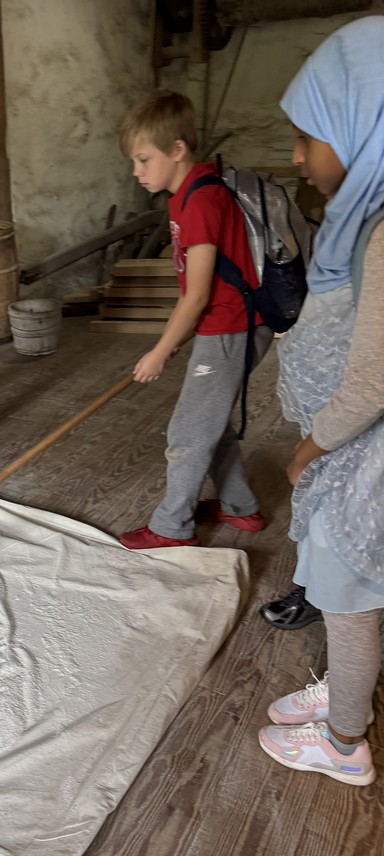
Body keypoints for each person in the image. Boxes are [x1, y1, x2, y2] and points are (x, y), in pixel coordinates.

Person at [258, 16, 384, 786]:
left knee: (348, 590)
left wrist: (312, 445)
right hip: (354, 446)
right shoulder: (361, 221)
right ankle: (343, 695)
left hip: (362, 453)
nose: (299, 157)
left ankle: (343, 743)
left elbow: (373, 377)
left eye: (311, 137)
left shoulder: (383, 234)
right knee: (345, 583)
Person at [116, 90, 272, 550]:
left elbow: (199, 292)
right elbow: (196, 290)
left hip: (232, 329)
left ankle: (172, 526)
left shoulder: (202, 201)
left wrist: (160, 350)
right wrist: (182, 335)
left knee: (187, 432)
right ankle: (239, 507)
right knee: (209, 422)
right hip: (225, 324)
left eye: (144, 160)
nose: (136, 171)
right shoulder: (182, 197)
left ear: (178, 150)